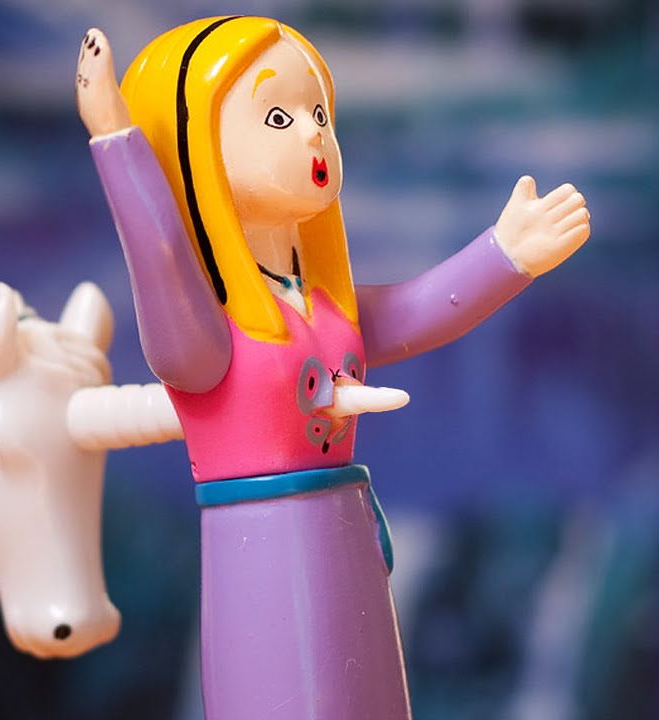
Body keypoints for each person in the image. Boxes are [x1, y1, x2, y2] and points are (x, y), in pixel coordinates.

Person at [74, 16, 590, 719]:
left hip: (348, 544)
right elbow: (161, 265)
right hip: (262, 557)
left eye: (319, 114)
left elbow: (413, 311)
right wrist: (117, 143)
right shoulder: (203, 334)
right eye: (278, 117)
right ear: (187, 150)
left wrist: (506, 254)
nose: (314, 135)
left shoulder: (322, 306)